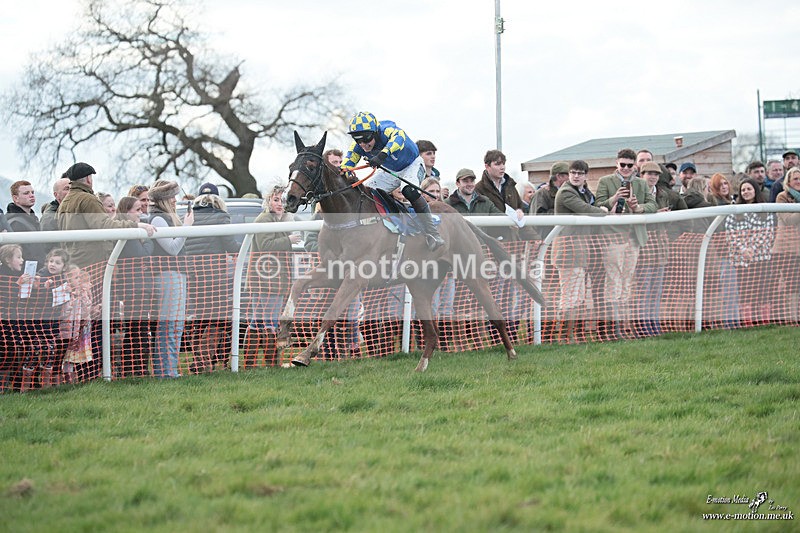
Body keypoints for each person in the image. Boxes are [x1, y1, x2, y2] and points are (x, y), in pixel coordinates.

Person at [342, 112, 444, 251]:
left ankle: (433, 233)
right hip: (391, 171)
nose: (363, 144)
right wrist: (344, 172)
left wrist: (382, 155)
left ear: (375, 132)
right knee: (367, 192)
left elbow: (399, 138)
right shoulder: (358, 146)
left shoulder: (386, 130)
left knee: (409, 190)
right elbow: (347, 164)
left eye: (366, 138)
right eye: (357, 139)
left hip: (412, 165)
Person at [594, 148, 657, 340]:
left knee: (627, 281)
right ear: (617, 164)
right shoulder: (605, 181)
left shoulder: (640, 183)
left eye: (630, 165)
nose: (626, 168)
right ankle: (614, 328)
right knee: (614, 280)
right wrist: (614, 199)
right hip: (612, 239)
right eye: (623, 165)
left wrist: (637, 208)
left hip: (633, 238)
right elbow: (597, 205)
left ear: (635, 166)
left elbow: (652, 205)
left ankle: (624, 325)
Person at [184, 183, 241, 373]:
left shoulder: (189, 216)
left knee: (199, 319)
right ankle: (202, 361)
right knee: (218, 320)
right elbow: (231, 245)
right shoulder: (221, 216)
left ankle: (200, 359)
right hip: (215, 277)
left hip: (193, 276)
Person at [58, 163, 155, 270]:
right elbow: (105, 225)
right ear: (88, 179)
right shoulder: (88, 199)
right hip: (92, 264)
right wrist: (136, 225)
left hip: (73, 263)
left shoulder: (64, 202)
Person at [551, 160, 608, 343]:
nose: (576, 176)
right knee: (569, 297)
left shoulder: (583, 192)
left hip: (580, 251)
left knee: (577, 296)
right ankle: (565, 337)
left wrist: (609, 203)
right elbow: (586, 210)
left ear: (586, 176)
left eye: (580, 173)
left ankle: (571, 335)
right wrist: (603, 211)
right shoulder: (567, 192)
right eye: (573, 172)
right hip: (568, 251)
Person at [245, 186, 300, 367]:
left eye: (282, 200)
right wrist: (289, 240)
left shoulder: (279, 220)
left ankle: (251, 363)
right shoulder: (265, 219)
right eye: (276, 200)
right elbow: (266, 245)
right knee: (267, 321)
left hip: (272, 279)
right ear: (268, 201)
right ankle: (270, 363)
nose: (279, 204)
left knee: (258, 321)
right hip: (266, 280)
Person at [148, 179, 194, 378]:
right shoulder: (158, 219)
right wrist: (186, 227)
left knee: (176, 325)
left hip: (176, 276)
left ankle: (169, 370)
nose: (175, 200)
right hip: (168, 276)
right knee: (170, 325)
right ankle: (166, 371)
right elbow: (173, 249)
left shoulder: (165, 217)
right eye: (172, 196)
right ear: (164, 199)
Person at [112, 196, 155, 377]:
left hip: (139, 287)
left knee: (140, 329)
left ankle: (139, 368)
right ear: (126, 212)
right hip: (133, 289)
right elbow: (142, 254)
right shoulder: (128, 234)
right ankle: (133, 369)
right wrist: (148, 240)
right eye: (137, 210)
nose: (141, 213)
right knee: (136, 330)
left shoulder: (133, 231)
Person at [724, 178, 776, 326]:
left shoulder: (765, 210)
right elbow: (730, 233)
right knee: (745, 292)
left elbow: (768, 233)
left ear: (755, 190)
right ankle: (748, 322)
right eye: (743, 190)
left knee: (763, 290)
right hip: (741, 260)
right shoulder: (734, 211)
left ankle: (764, 322)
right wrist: (743, 249)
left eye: (749, 189)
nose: (746, 192)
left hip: (762, 258)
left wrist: (753, 248)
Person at [0, 244, 36, 391]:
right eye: (18, 257)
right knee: (5, 352)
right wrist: (18, 284)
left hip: (15, 322)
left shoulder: (18, 275)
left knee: (14, 352)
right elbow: (5, 297)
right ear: (8, 259)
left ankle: (10, 386)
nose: (22, 261)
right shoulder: (3, 274)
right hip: (4, 323)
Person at [475, 149, 526, 242]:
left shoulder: (511, 186)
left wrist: (519, 211)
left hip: (513, 241)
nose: (502, 167)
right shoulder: (478, 189)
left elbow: (520, 207)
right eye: (497, 164)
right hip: (491, 242)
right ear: (487, 166)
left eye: (503, 163)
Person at [772, 167, 800, 324]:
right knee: (792, 285)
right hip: (786, 249)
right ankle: (791, 319)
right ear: (788, 181)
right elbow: (789, 220)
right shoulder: (782, 197)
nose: (798, 181)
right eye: (795, 178)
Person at [6, 180, 47, 267]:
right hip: (27, 273)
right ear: (15, 198)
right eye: (26, 193)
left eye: (32, 192)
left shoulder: (32, 219)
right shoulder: (15, 223)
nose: (31, 195)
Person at [530, 161, 570, 237]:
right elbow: (536, 218)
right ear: (559, 176)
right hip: (547, 241)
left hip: (564, 239)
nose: (573, 177)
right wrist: (562, 211)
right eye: (569, 175)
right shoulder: (541, 194)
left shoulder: (569, 193)